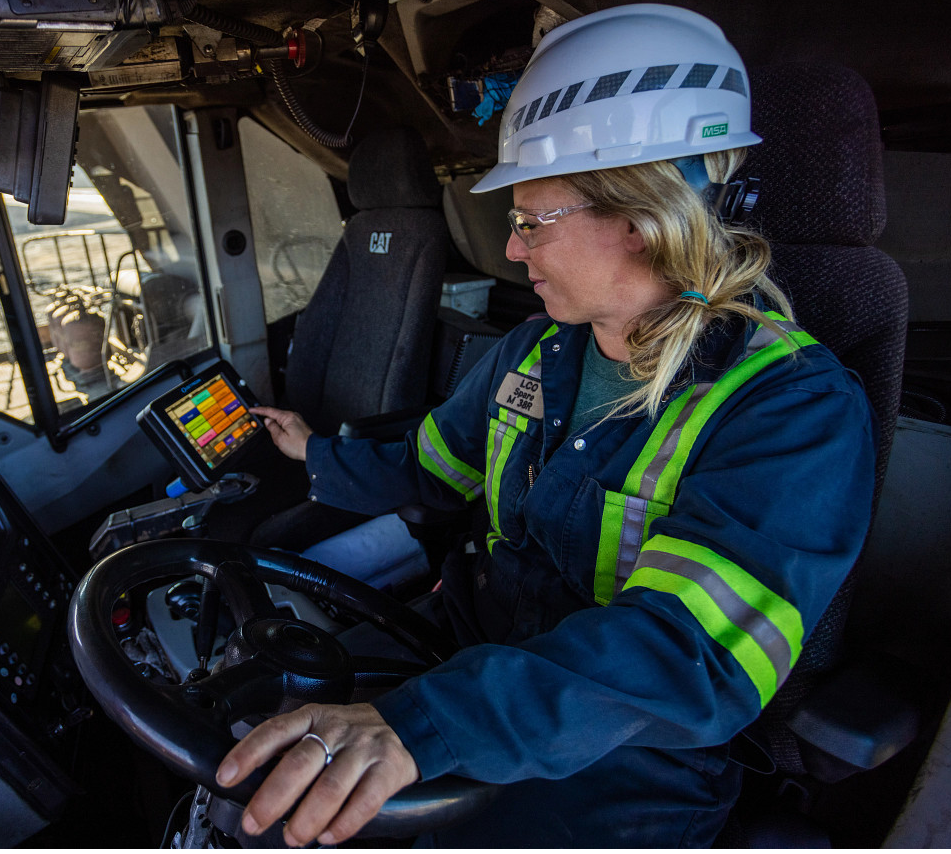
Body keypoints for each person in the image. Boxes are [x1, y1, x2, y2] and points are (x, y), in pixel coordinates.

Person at [215, 4, 878, 848]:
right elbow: (436, 467)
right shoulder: (533, 353)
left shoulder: (791, 407)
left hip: (628, 746)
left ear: (645, 218)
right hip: (473, 659)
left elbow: (681, 654)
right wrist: (321, 454)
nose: (516, 251)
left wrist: (425, 725)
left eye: (531, 223)